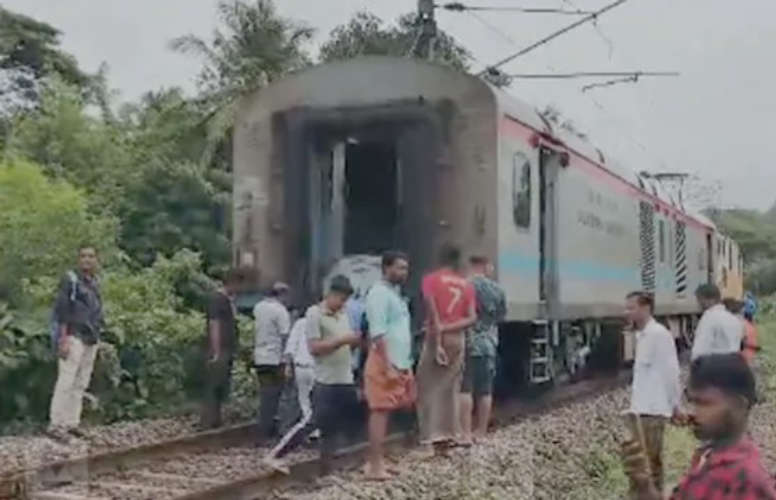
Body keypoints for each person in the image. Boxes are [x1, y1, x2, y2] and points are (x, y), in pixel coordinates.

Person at [622, 353, 776, 499]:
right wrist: (642, 482)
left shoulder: (748, 482)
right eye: (692, 402)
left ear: (739, 406)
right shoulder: (708, 458)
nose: (692, 412)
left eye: (704, 403)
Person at [417, 244, 477, 457]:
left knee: (426, 386)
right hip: (458, 338)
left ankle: (427, 441)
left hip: (437, 338)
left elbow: (433, 312)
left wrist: (439, 333)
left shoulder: (430, 280)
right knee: (450, 388)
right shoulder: (466, 285)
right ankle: (447, 437)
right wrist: (451, 328)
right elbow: (472, 317)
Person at [363, 251, 416, 480]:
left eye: (405, 268)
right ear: (386, 268)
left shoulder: (395, 295)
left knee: (392, 409)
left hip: (400, 361)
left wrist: (407, 365)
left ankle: (380, 461)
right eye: (399, 267)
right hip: (385, 362)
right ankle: (374, 466)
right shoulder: (378, 294)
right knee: (380, 411)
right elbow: (378, 334)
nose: (403, 272)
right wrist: (387, 366)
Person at [624, 291, 682, 496]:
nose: (627, 312)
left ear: (646, 308)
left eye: (632, 308)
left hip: (654, 411)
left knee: (651, 466)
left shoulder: (659, 335)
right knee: (639, 465)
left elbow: (671, 372)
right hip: (640, 410)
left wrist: (675, 405)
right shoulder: (643, 335)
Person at [305, 275, 362, 474]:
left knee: (344, 422)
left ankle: (334, 464)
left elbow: (347, 345)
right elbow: (314, 347)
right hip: (326, 379)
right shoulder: (314, 314)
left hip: (345, 377)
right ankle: (322, 466)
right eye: (341, 299)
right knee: (321, 422)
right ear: (330, 294)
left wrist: (353, 342)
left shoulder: (344, 315)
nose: (343, 304)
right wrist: (341, 340)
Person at [48, 245, 105, 440]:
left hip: (91, 337)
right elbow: (62, 310)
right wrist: (63, 339)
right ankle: (56, 425)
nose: (87, 260)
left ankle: (72, 422)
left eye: (91, 256)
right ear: (78, 259)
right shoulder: (70, 280)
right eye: (83, 256)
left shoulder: (95, 283)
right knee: (66, 380)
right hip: (73, 335)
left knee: (81, 383)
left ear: (96, 260)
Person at [459, 255, 506, 446]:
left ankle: (465, 433)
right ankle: (481, 432)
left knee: (465, 389)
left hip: (468, 342)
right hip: (489, 344)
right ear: (486, 266)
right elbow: (502, 316)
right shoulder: (497, 289)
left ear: (471, 266)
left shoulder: (464, 287)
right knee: (485, 390)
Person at [263, 311, 316, 473]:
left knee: (305, 401)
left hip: (301, 366)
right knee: (314, 403)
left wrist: (287, 365)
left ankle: (309, 431)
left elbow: (291, 347)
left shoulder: (300, 323)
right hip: (316, 367)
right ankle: (312, 432)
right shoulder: (322, 323)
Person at [200, 268, 243, 430]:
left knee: (221, 384)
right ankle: (208, 421)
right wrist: (216, 350)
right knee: (214, 384)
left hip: (226, 348)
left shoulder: (227, 300)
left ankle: (215, 419)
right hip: (219, 349)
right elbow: (214, 324)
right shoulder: (218, 300)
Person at [253, 282, 292, 441]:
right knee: (276, 396)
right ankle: (269, 431)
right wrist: (287, 359)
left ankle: (264, 428)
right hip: (275, 358)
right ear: (281, 295)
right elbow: (285, 336)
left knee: (265, 395)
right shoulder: (280, 311)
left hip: (260, 356)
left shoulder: (259, 307)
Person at [692, 284, 744, 361]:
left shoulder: (709, 318)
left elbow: (700, 349)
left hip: (715, 366)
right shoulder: (734, 319)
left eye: (699, 300)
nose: (698, 304)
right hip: (733, 365)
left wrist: (694, 365)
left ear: (709, 300)